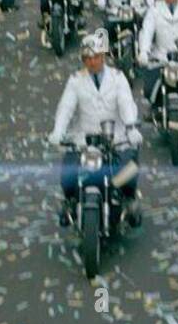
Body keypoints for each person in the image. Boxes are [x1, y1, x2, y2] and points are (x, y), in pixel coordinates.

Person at [48, 31, 143, 226]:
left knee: (128, 173)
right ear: (83, 59)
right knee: (68, 175)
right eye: (88, 58)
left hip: (116, 139)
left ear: (104, 57)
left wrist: (131, 127)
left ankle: (129, 203)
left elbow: (126, 103)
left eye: (97, 57)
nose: (92, 62)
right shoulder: (75, 80)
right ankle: (69, 205)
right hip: (85, 140)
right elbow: (66, 107)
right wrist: (58, 131)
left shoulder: (118, 78)